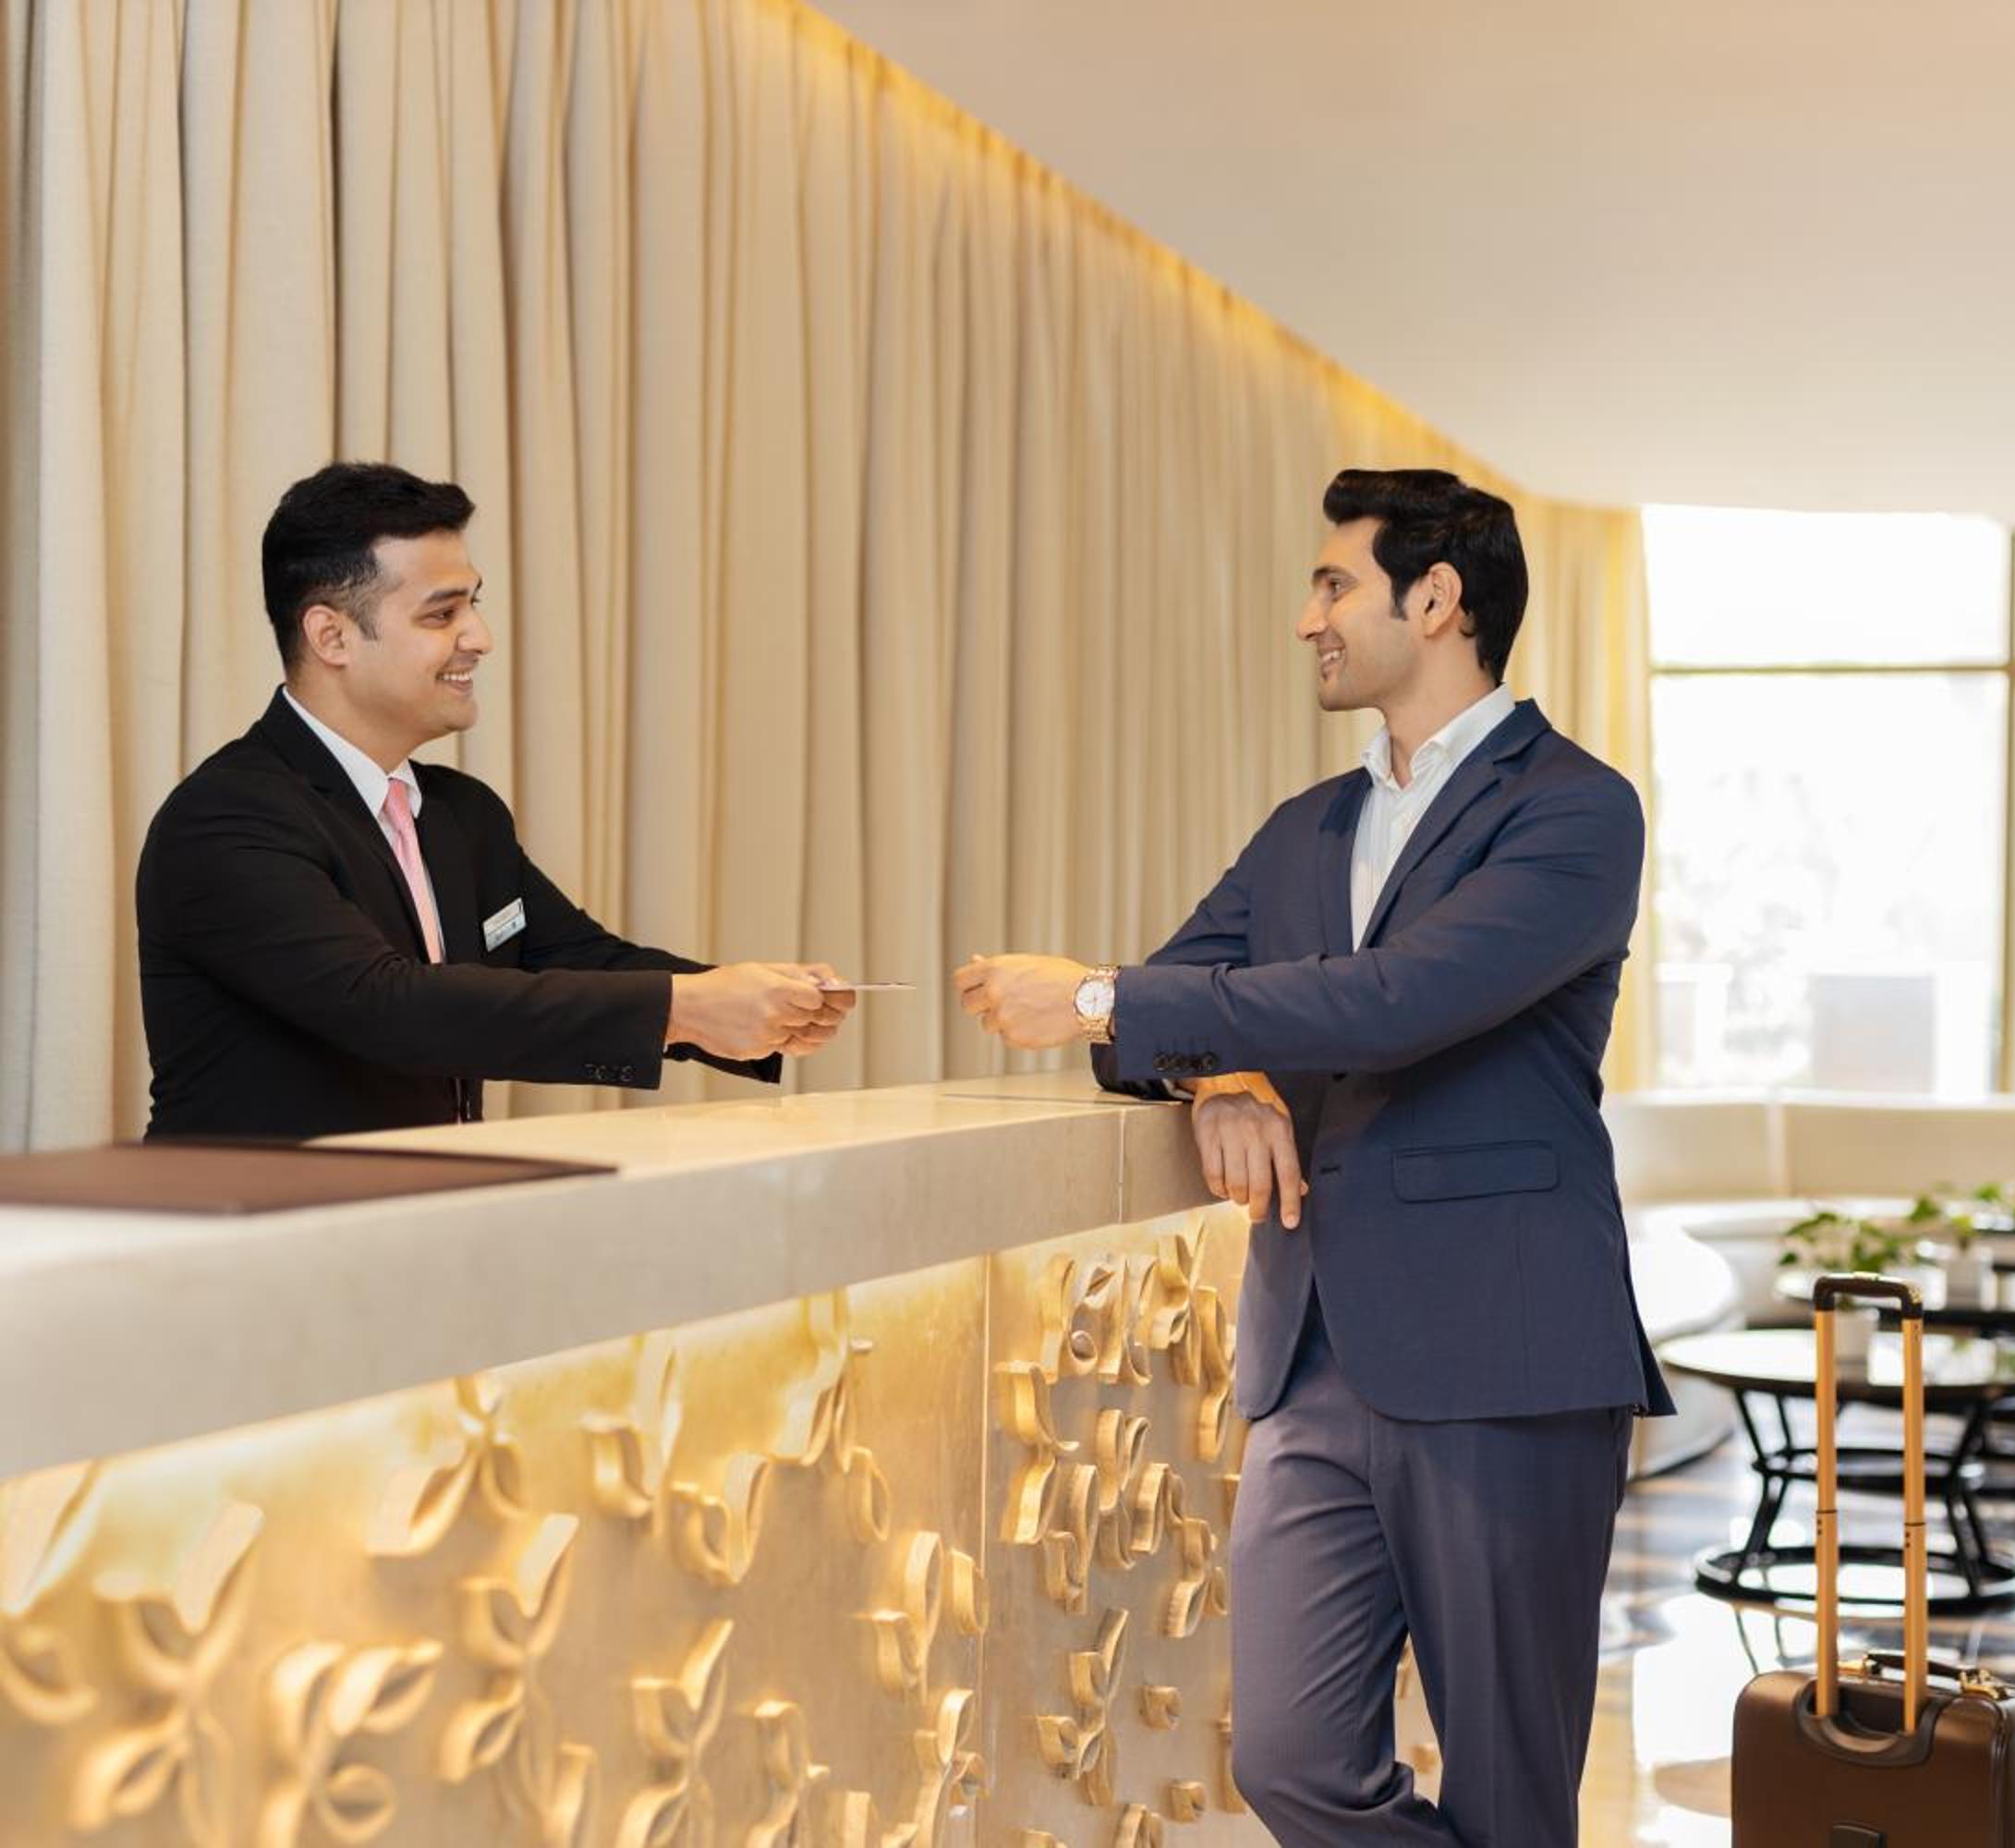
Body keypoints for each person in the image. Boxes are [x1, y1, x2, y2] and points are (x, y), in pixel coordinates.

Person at [953, 468, 1668, 1847]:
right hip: (1309, 1356)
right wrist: (1217, 1074)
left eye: (1335, 584)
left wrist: (1102, 995)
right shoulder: (1306, 828)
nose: (1308, 618)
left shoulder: (1576, 809)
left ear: (1437, 599)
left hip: (1505, 1351)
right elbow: (1162, 1013)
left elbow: (1400, 1001)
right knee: (1288, 1760)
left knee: (1512, 1795)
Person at [137, 461, 850, 1140]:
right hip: (265, 1218)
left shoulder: (462, 813)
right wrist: (685, 1007)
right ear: (332, 636)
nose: (480, 638)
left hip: (426, 1210)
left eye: (472, 605)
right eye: (441, 615)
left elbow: (570, 960)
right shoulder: (227, 816)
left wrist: (751, 1000)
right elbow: (386, 1006)